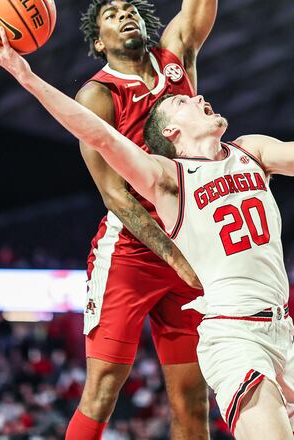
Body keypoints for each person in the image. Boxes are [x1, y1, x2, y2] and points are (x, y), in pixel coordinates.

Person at [0, 22, 294, 439]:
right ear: (171, 132)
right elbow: (97, 133)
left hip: (282, 331)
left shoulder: (252, 150)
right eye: (186, 103)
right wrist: (25, 76)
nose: (200, 97)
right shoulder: (168, 178)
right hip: (234, 335)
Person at [23, 0, 217, 438]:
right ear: (98, 40)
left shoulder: (176, 55)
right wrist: (177, 260)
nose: (124, 14)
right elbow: (115, 196)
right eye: (110, 14)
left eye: (129, 8)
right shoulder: (97, 95)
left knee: (191, 399)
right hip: (132, 250)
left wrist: (187, 255)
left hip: (189, 238)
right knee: (103, 388)